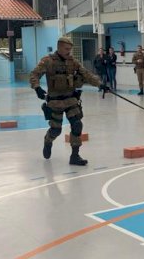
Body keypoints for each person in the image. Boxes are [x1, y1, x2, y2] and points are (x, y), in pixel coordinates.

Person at [29, 36, 102, 166]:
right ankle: (48, 140)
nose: (69, 52)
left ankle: (74, 156)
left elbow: (86, 74)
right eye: (67, 49)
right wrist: (37, 87)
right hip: (55, 101)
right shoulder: (48, 61)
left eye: (70, 49)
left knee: (77, 125)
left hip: (70, 99)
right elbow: (34, 74)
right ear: (59, 48)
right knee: (56, 130)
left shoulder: (72, 61)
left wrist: (100, 85)